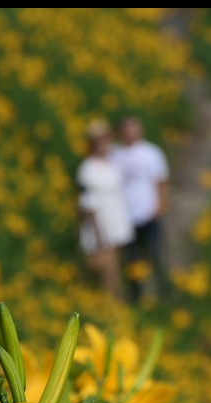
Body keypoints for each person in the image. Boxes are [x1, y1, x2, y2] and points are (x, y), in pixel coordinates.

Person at [111, 115, 170, 302]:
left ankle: (163, 291)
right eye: (126, 129)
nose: (130, 133)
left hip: (148, 212)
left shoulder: (152, 153)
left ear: (140, 131)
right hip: (126, 217)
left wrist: (160, 206)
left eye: (133, 128)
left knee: (155, 253)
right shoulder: (116, 155)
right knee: (132, 259)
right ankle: (137, 295)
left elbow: (161, 181)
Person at [76, 119, 134, 300]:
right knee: (107, 275)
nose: (105, 145)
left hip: (117, 226)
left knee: (116, 273)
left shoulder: (112, 164)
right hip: (102, 231)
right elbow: (88, 203)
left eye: (107, 140)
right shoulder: (88, 169)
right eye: (100, 141)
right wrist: (99, 234)